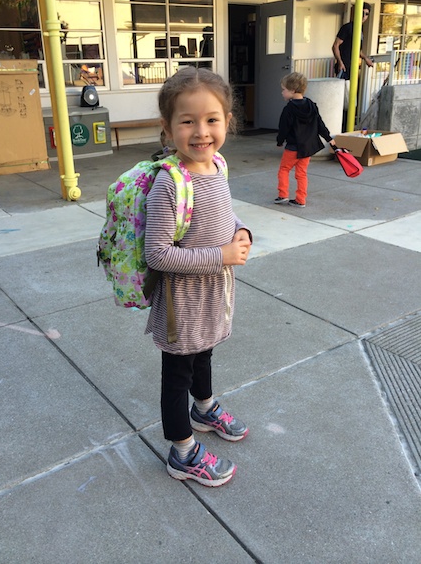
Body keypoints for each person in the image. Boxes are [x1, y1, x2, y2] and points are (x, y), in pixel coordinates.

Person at [144, 67, 252, 487]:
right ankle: (182, 451)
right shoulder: (170, 184)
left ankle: (204, 408)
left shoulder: (218, 165)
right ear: (167, 128)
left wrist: (241, 231)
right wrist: (221, 254)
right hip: (181, 303)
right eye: (187, 121)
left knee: (205, 354)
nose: (201, 131)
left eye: (212, 119)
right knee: (177, 374)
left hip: (213, 294)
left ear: (228, 121)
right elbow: (158, 254)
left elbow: (225, 213)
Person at [274, 72, 336, 208]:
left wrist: (280, 141)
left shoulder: (289, 109)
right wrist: (328, 138)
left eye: (283, 90)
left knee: (284, 169)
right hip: (307, 148)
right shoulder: (312, 105)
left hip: (293, 147)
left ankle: (283, 195)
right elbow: (320, 123)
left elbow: (283, 128)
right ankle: (300, 200)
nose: (282, 93)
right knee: (301, 174)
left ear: (292, 90)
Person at [332, 3, 374, 81]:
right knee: (343, 91)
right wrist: (340, 62)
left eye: (366, 14)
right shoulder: (347, 27)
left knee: (351, 90)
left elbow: (358, 51)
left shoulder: (360, 30)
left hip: (353, 66)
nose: (364, 16)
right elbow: (335, 46)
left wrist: (366, 58)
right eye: (362, 13)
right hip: (344, 66)